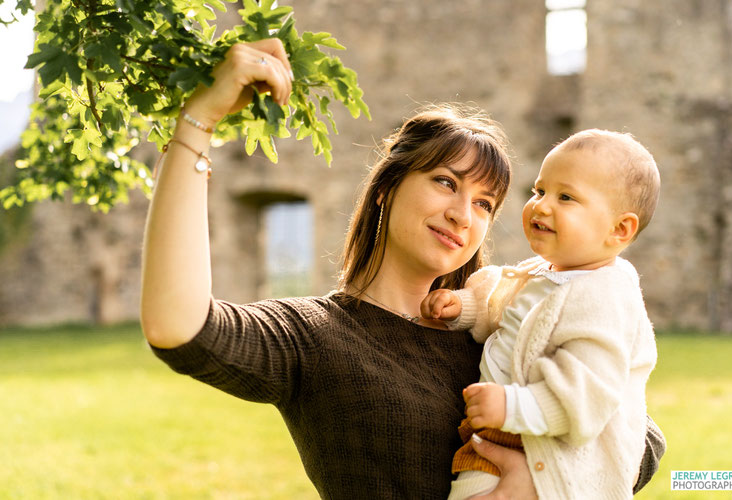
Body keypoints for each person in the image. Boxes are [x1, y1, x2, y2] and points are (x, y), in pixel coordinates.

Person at [140, 39, 665, 499]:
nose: (464, 213)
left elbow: (642, 440)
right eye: (445, 182)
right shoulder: (318, 338)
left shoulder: (504, 324)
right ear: (388, 188)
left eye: (485, 204)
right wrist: (198, 122)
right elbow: (181, 327)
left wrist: (542, 480)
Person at [421, 129, 663, 499]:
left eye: (565, 197)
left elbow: (585, 398)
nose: (542, 205)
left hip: (552, 459)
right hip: (503, 436)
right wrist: (464, 308)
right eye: (539, 191)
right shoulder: (546, 274)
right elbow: (504, 307)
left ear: (619, 229)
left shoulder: (604, 298)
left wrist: (511, 405)